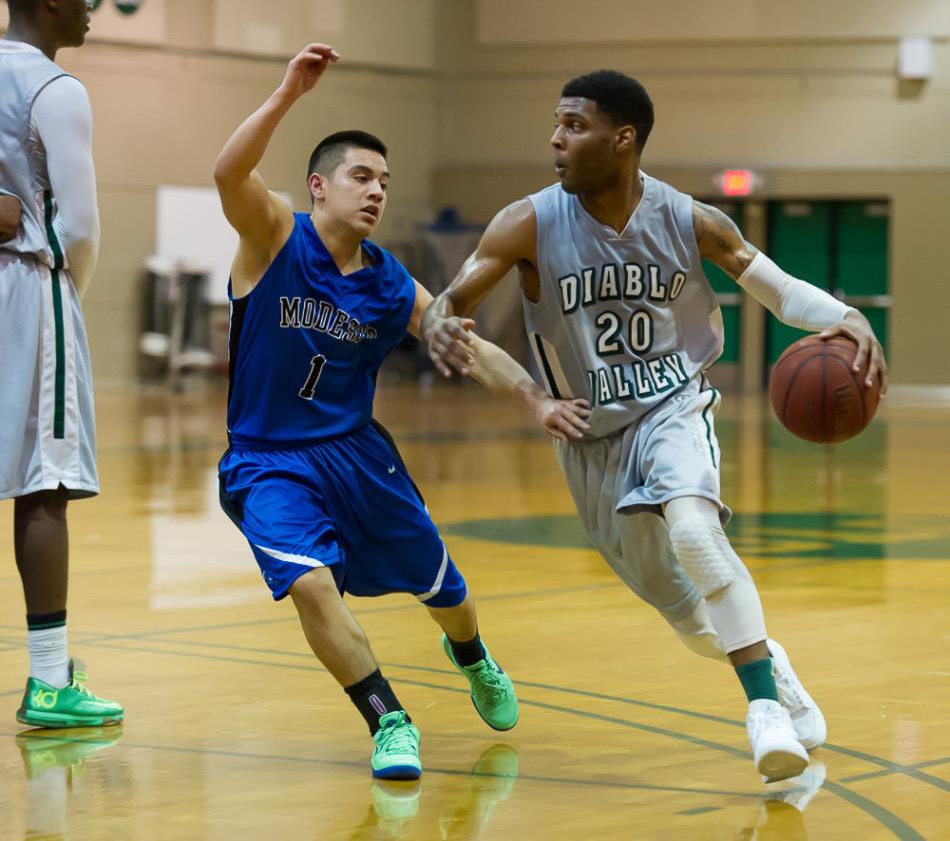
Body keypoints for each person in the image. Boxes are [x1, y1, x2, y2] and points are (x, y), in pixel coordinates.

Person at [422, 69, 888, 783]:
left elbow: (776, 289)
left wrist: (846, 318)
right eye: (556, 124)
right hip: (589, 440)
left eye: (573, 125)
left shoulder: (691, 219)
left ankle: (762, 711)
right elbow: (453, 304)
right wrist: (449, 334)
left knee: (697, 530)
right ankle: (774, 665)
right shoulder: (528, 222)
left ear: (623, 138)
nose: (555, 138)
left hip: (673, 405)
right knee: (692, 622)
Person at [213, 42, 588, 780]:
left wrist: (535, 399)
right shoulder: (272, 239)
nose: (377, 191)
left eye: (385, 180)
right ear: (318, 186)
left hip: (357, 454)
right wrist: (289, 91)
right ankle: (388, 719)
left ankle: (472, 655)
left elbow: (467, 345)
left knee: (442, 588)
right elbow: (228, 172)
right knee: (309, 583)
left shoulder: (390, 283)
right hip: (266, 460)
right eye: (361, 176)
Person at [1, 0, 122, 728]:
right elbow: (78, 227)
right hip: (28, 286)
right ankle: (49, 680)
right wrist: (68, 294)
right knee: (43, 481)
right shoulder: (54, 85)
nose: (92, 4)